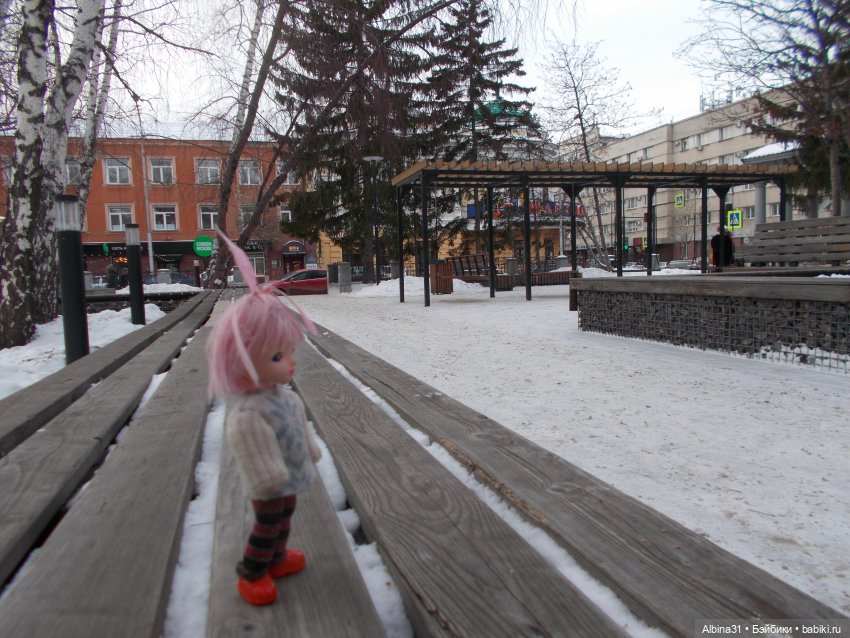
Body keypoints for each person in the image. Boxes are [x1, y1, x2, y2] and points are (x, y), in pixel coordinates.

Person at [206, 230, 320, 606]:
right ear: (241, 362)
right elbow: (251, 444)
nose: (290, 362)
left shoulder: (281, 397)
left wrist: (309, 447)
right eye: (277, 357)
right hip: (270, 484)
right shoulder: (248, 412)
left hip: (287, 481)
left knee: (286, 516)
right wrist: (269, 475)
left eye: (290, 352)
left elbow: (296, 422)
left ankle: (276, 557)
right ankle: (252, 570)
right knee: (268, 522)